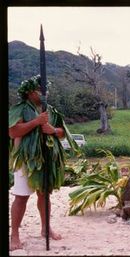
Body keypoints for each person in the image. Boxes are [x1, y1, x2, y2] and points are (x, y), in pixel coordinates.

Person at [9, 75, 78, 250]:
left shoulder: (51, 111)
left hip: (46, 159)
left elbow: (63, 133)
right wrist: (36, 122)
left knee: (44, 195)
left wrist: (52, 129)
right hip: (26, 160)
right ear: (30, 92)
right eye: (40, 90)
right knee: (21, 196)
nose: (44, 93)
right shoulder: (20, 109)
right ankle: (14, 235)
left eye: (44, 89)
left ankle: (46, 229)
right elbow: (13, 132)